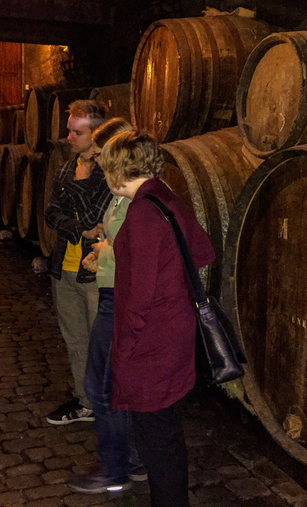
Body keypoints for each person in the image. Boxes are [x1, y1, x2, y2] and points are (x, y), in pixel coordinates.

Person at [101, 130, 215, 507]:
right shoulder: (166, 198)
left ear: (118, 171)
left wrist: (125, 350)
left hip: (152, 338)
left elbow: (138, 296)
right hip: (173, 327)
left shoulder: (143, 213)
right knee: (164, 429)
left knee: (157, 438)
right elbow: (203, 251)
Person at [68, 118, 147, 494]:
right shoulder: (120, 193)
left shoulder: (134, 195)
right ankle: (130, 459)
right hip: (112, 294)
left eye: (102, 154)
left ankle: (114, 468)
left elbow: (138, 253)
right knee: (113, 383)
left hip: (119, 299)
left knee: (101, 386)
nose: (97, 161)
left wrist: (104, 250)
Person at [44, 99, 112, 425]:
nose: (68, 137)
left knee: (102, 344)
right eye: (69, 130)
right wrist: (78, 229)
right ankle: (86, 402)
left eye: (76, 132)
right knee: (75, 341)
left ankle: (109, 405)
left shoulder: (109, 173)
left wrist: (84, 178)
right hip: (63, 267)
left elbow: (95, 216)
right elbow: (51, 212)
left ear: (96, 134)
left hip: (95, 273)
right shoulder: (64, 168)